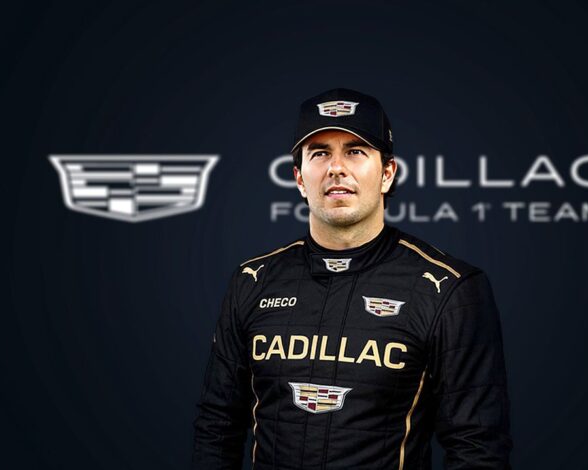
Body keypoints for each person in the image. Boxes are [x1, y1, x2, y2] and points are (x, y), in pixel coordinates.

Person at [192, 88, 512, 469]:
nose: (336, 168)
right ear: (299, 178)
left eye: (356, 151)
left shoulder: (450, 289)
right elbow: (217, 428)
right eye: (319, 153)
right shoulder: (252, 281)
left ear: (387, 174)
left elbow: (477, 449)